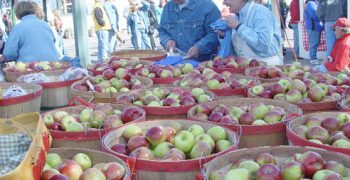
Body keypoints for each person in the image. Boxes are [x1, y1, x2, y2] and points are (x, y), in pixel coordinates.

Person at [222, 0, 282, 65]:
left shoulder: (260, 12)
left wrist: (238, 26)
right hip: (245, 64)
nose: (223, 2)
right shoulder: (237, 16)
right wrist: (224, 35)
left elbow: (264, 45)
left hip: (266, 65)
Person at [305, 0, 323, 65]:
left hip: (316, 27)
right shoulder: (310, 3)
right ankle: (313, 59)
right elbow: (315, 15)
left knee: (315, 43)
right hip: (313, 27)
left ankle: (314, 58)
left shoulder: (313, 3)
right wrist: (322, 16)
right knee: (313, 43)